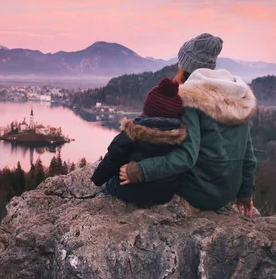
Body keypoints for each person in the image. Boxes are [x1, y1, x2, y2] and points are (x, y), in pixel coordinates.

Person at [119, 33, 258, 217]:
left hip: (200, 192)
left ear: (185, 66)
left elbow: (186, 156)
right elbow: (248, 157)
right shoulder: (234, 94)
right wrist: (245, 194)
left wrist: (141, 171)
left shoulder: (191, 99)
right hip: (228, 192)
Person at [90, 77, 187, 207]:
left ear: (147, 110)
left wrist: (97, 179)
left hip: (130, 191)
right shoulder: (180, 136)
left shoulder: (130, 135)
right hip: (165, 193)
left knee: (112, 184)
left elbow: (111, 161)